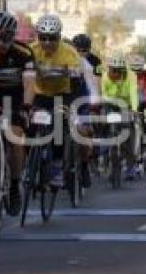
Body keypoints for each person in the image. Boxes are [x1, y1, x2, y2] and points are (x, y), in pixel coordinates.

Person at [27, 14, 96, 185]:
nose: (47, 43)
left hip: (64, 93)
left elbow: (76, 76)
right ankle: (33, 159)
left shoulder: (69, 52)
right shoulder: (32, 50)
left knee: (58, 123)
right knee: (28, 121)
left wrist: (66, 72)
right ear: (38, 37)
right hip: (41, 94)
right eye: (43, 38)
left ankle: (58, 165)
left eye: (52, 38)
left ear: (59, 37)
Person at [0, 10, 35, 215]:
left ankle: (15, 185)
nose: (0, 41)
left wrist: (26, 107)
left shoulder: (23, 53)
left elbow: (30, 83)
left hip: (15, 98)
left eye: (5, 36)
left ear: (13, 35)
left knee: (16, 137)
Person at [100, 51, 140, 179]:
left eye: (119, 70)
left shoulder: (131, 75)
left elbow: (134, 93)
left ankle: (130, 166)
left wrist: (134, 109)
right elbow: (103, 95)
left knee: (128, 132)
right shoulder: (105, 77)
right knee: (102, 124)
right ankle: (104, 156)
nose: (116, 73)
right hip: (110, 104)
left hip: (125, 105)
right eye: (113, 70)